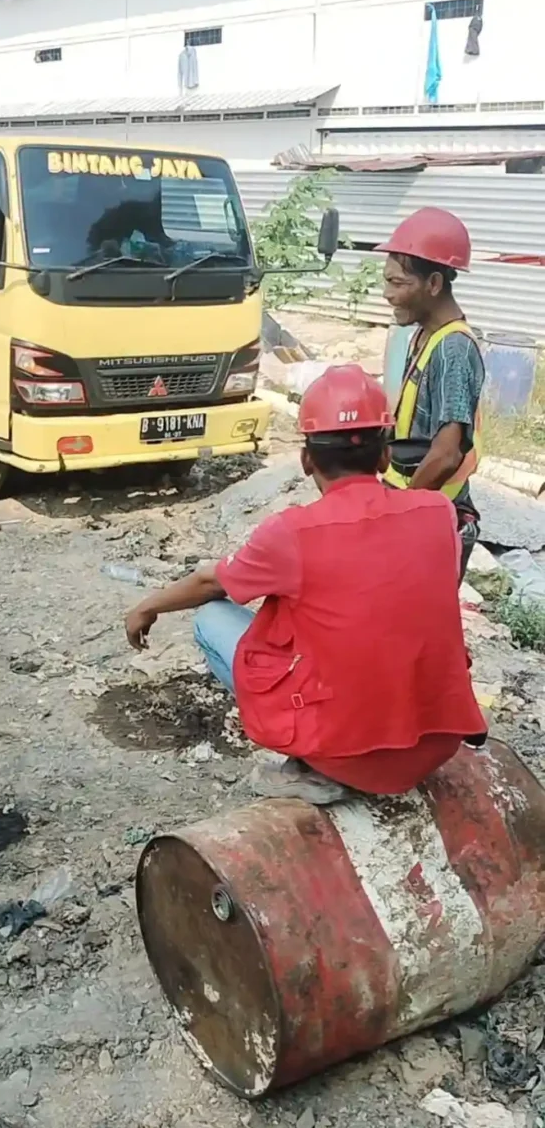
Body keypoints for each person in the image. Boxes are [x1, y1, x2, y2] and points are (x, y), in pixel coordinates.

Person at [124, 365, 486, 804]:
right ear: (385, 456)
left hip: (345, 758)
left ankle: (304, 765)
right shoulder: (438, 514)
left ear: (306, 458)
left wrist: (148, 606)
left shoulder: (292, 533)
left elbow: (209, 582)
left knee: (212, 618)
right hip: (434, 747)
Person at [379, 207, 485, 580]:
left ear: (434, 284)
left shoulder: (454, 349)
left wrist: (395, 519)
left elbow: (445, 454)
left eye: (398, 283)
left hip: (432, 519)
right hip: (420, 507)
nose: (387, 294)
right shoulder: (425, 335)